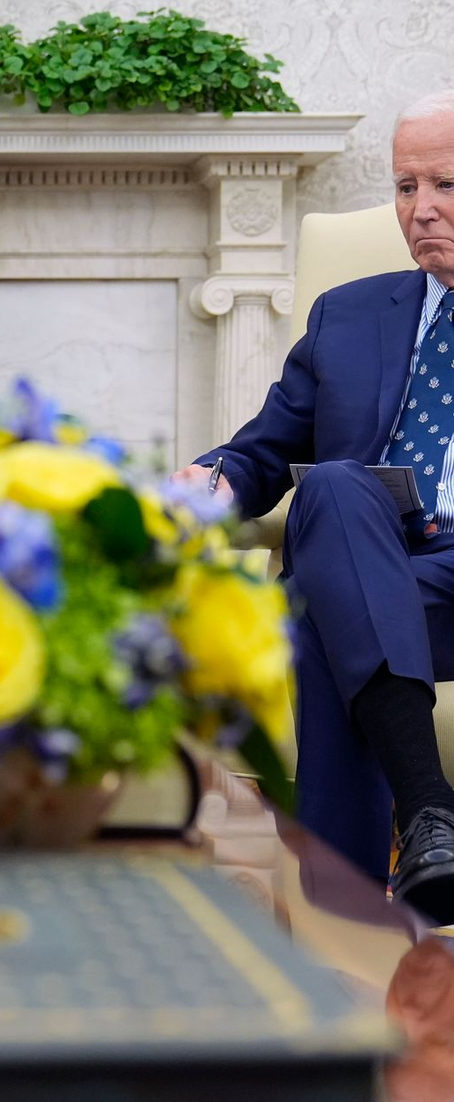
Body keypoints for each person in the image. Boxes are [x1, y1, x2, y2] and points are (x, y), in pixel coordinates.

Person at [173, 89, 454, 925]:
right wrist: (212, 480)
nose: (421, 211)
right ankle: (430, 815)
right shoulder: (351, 313)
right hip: (376, 556)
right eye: (406, 187)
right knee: (332, 489)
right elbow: (263, 448)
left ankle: (346, 914)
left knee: (320, 610)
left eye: (446, 185)